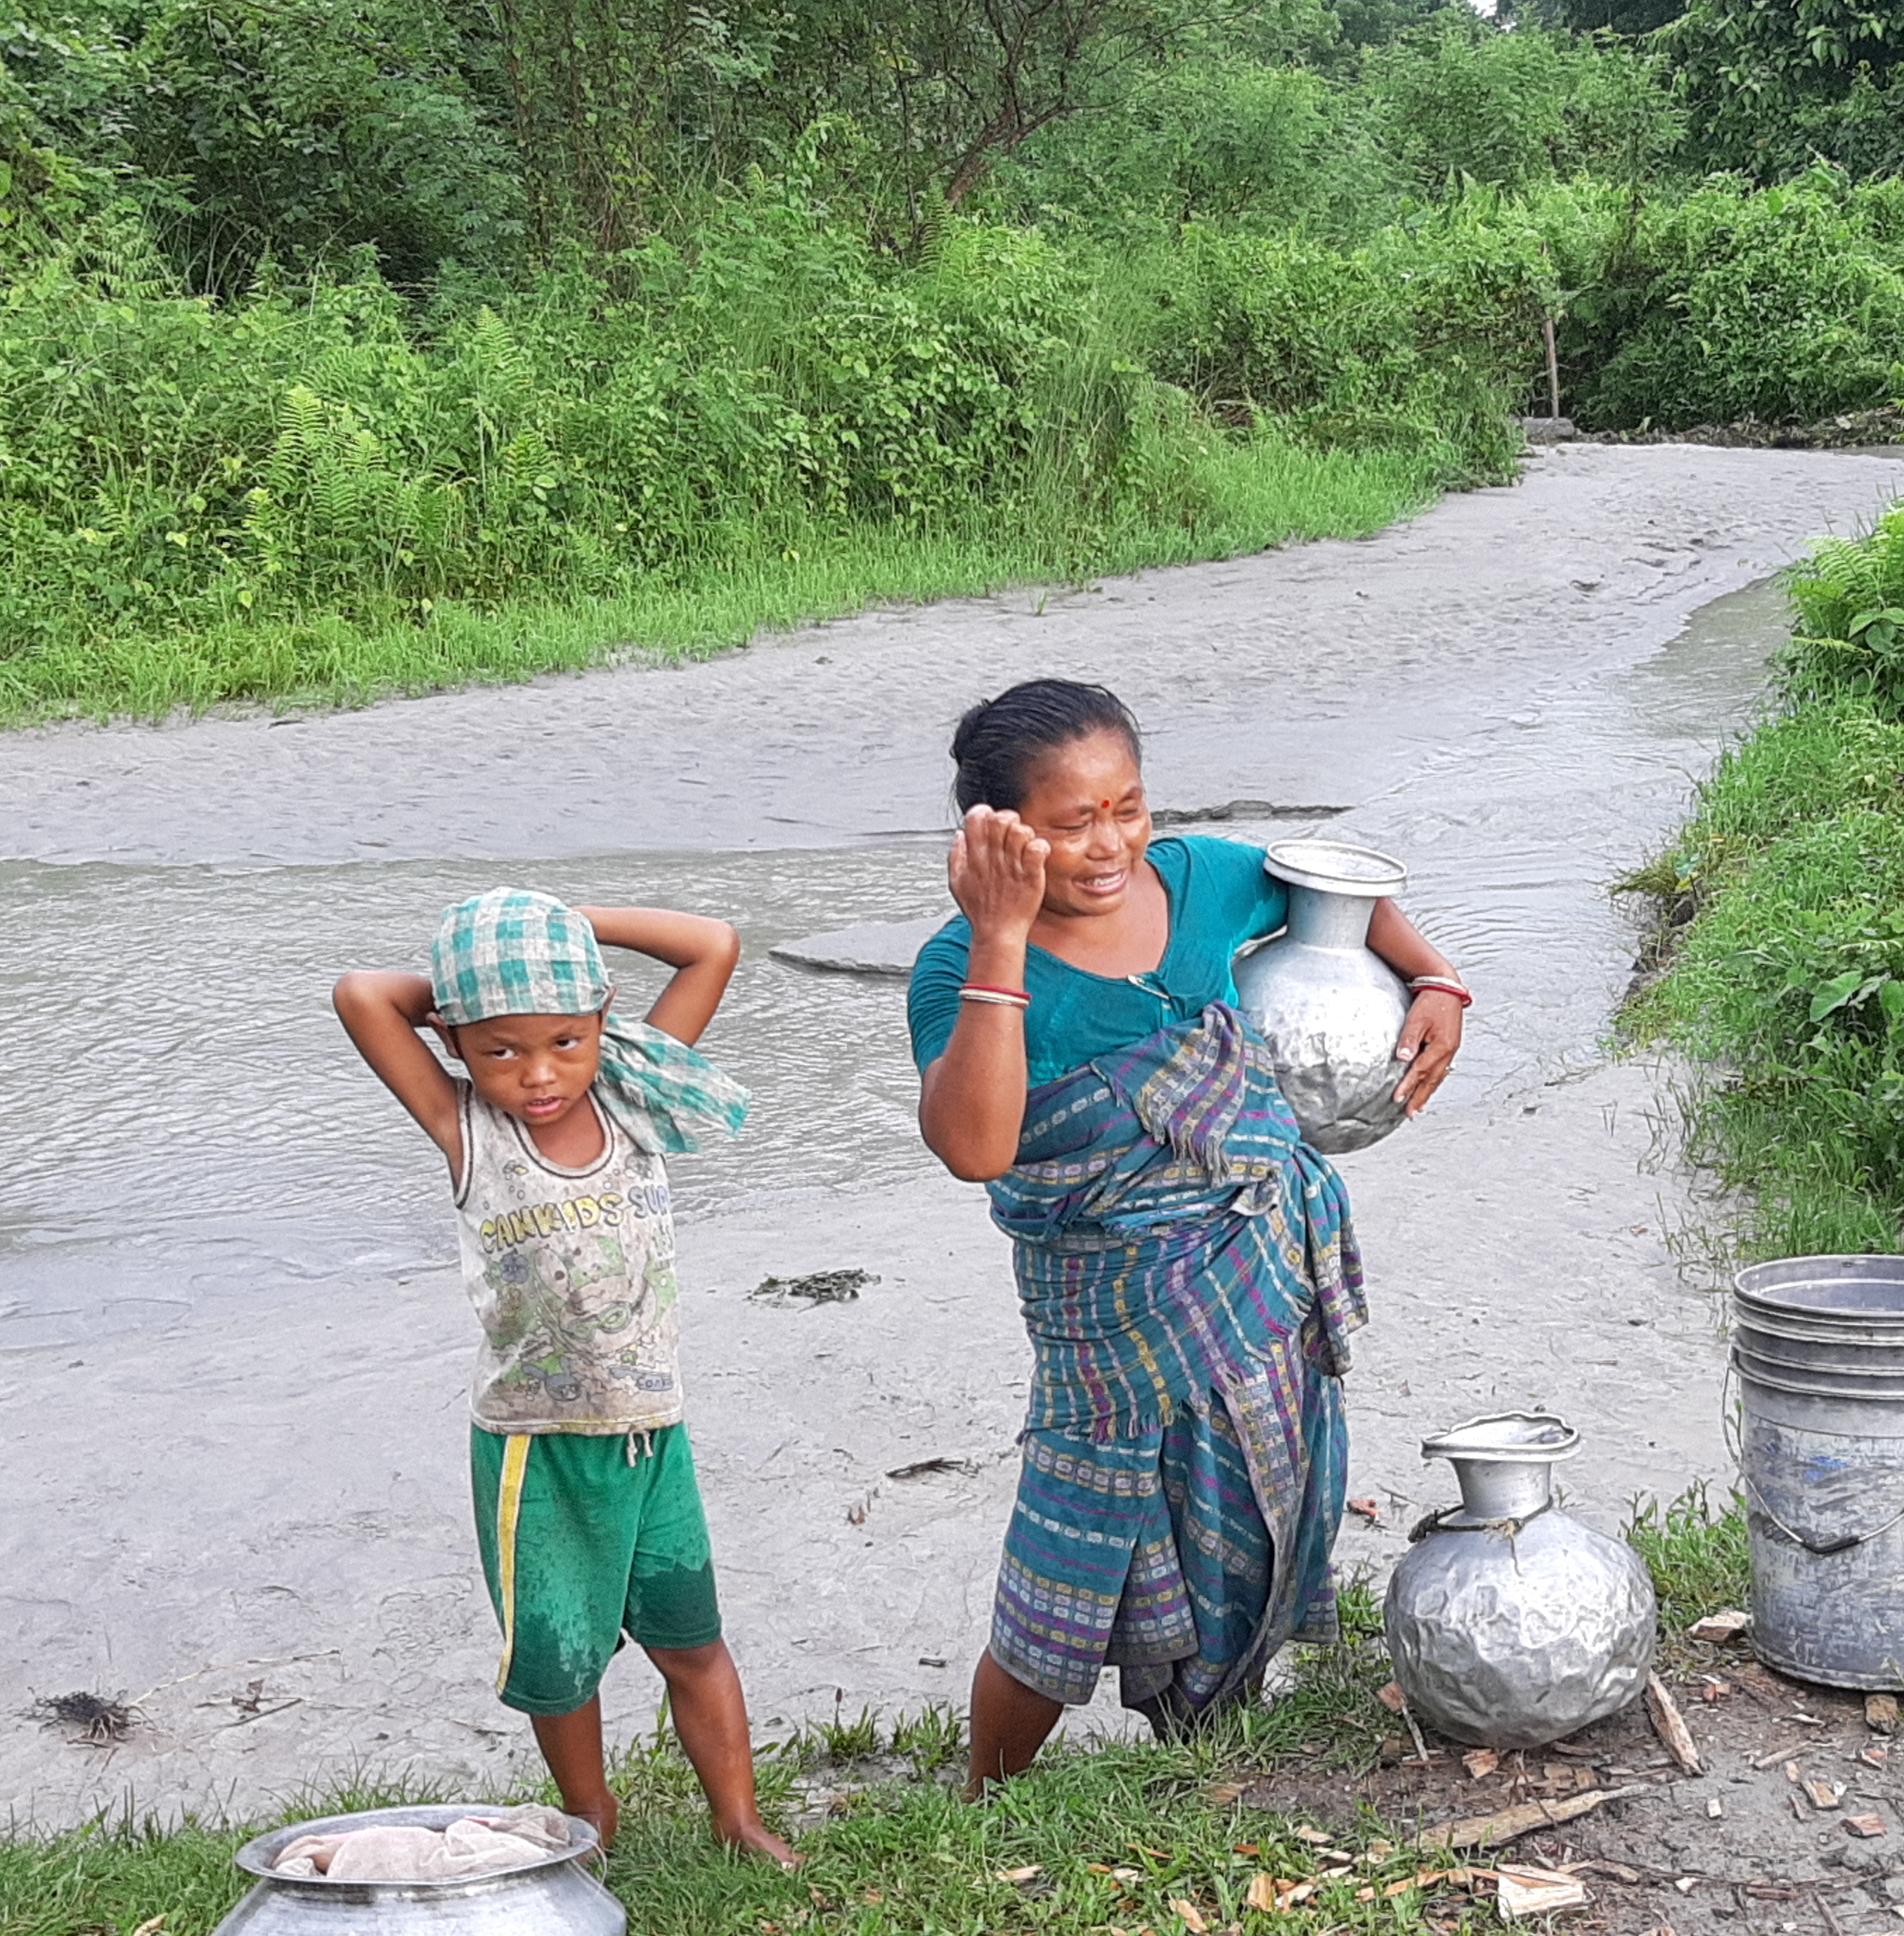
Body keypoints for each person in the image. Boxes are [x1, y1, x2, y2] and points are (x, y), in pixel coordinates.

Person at [910, 678, 1468, 1793]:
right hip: (1110, 1324)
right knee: (1064, 1566)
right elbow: (975, 1147)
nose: (1110, 843)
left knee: (1247, 1512)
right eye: (1071, 825)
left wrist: (1439, 979)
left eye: (1128, 807)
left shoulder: (1205, 880)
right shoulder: (956, 970)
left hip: (1258, 1284)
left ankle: (1207, 1754)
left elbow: (1341, 893)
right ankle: (986, 1794)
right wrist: (1003, 938)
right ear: (996, 834)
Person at [333, 888, 798, 1863]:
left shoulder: (634, 1103)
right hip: (533, 1451)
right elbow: (363, 995)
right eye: (502, 1049)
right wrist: (485, 972)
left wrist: (565, 925)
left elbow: (714, 944)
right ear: (458, 1044)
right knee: (561, 1666)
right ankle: (594, 1824)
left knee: (694, 1644)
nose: (538, 1075)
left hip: (648, 1435)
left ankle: (739, 1819)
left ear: (604, 1024)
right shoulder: (467, 1131)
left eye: (563, 1041)